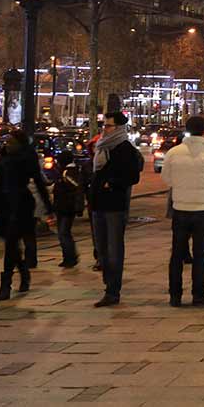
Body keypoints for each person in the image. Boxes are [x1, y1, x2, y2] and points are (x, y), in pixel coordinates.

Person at [163, 115, 204, 307]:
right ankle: (198, 293)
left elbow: (167, 179)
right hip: (202, 208)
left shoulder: (174, 153)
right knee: (200, 254)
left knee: (177, 254)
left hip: (180, 207)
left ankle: (175, 295)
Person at [90, 111, 144, 307]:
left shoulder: (124, 149)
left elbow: (132, 177)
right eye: (104, 125)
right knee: (101, 249)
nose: (105, 129)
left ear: (119, 128)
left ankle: (113, 290)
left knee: (114, 248)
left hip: (114, 205)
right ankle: (108, 284)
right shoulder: (101, 148)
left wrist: (111, 183)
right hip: (97, 204)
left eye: (109, 126)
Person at [0, 130, 52, 301]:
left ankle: (6, 284)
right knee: (11, 245)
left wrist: (48, 205)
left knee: (11, 243)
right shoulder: (4, 159)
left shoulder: (27, 159)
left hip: (21, 205)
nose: (7, 145)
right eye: (7, 142)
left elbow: (39, 182)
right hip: (5, 204)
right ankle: (23, 272)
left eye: (11, 142)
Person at [51, 151, 85, 268]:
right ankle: (68, 257)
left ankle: (70, 257)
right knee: (64, 233)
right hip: (64, 207)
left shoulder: (67, 173)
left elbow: (76, 188)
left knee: (63, 233)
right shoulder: (70, 171)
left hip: (66, 207)